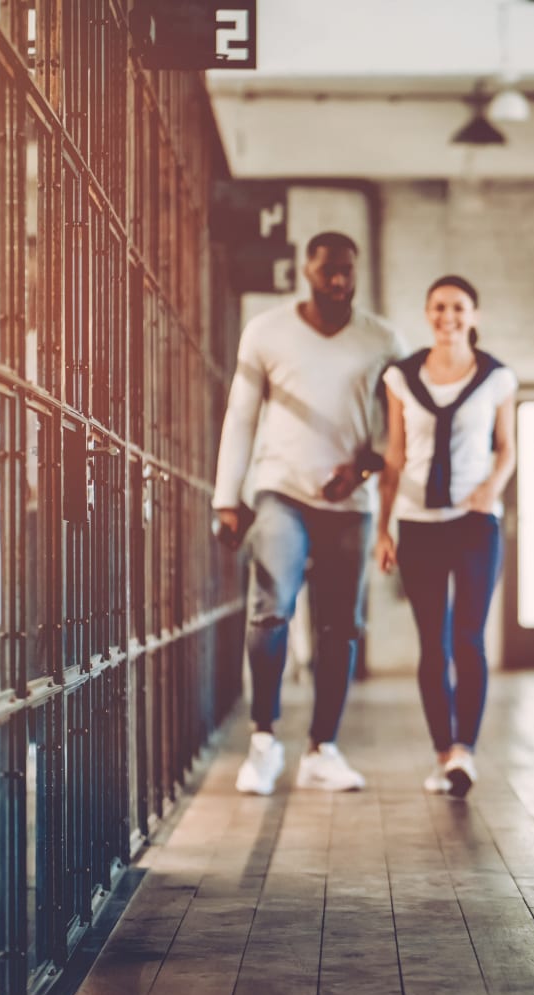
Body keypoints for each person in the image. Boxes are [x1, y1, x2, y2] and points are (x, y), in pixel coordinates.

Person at [213, 231, 405, 795]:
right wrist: (228, 497)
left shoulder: (383, 339)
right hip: (281, 491)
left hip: (351, 501)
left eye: (347, 270)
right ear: (307, 270)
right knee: (271, 611)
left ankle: (323, 748)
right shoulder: (266, 332)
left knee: (340, 628)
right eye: (328, 271)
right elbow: (241, 415)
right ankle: (264, 743)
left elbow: (399, 429)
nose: (339, 280)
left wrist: (364, 468)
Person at [374, 275, 517, 798]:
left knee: (469, 638)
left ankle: (465, 752)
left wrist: (491, 488)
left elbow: (507, 448)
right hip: (416, 524)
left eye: (458, 307)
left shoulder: (497, 377)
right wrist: (383, 528)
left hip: (476, 523)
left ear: (473, 314)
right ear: (427, 313)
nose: (448, 316)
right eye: (438, 307)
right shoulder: (401, 377)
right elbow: (393, 456)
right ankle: (441, 753)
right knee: (432, 643)